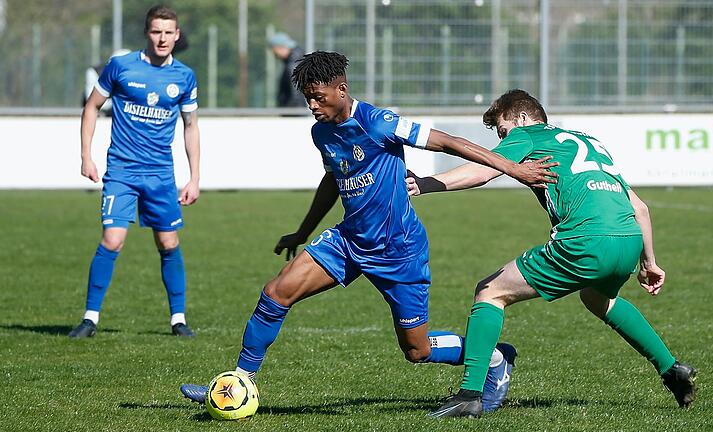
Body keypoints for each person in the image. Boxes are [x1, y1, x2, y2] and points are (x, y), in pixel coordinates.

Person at [179, 52, 557, 411]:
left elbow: (450, 142)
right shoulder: (321, 132)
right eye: (308, 99)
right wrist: (301, 231)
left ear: (341, 89)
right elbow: (332, 179)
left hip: (399, 250)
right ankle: (238, 381)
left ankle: (494, 357)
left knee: (417, 350)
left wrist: (513, 168)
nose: (313, 106)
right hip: (348, 240)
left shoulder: (380, 122)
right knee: (276, 292)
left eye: (318, 97)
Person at [405, 89, 697, 417]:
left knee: (490, 291)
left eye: (503, 131)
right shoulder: (585, 140)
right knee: (599, 300)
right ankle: (672, 370)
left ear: (524, 118)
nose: (503, 139)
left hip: (586, 240)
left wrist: (427, 183)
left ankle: (470, 394)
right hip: (628, 238)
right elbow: (640, 208)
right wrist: (649, 262)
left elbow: (485, 169)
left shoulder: (528, 134)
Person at [68, 5, 200, 338]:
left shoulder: (184, 76)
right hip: (122, 171)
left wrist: (195, 177)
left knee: (168, 242)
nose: (162, 38)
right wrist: (86, 156)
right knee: (112, 240)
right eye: (157, 31)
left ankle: (178, 319)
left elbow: (191, 126)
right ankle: (90, 318)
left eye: (169, 32)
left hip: (160, 175)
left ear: (177, 35)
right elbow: (91, 107)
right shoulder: (121, 67)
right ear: (147, 33)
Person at [268, 32, 306, 108]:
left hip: (294, 113)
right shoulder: (295, 61)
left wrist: (288, 112)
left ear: (281, 47)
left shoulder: (293, 64)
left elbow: (296, 94)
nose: (274, 54)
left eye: (274, 51)